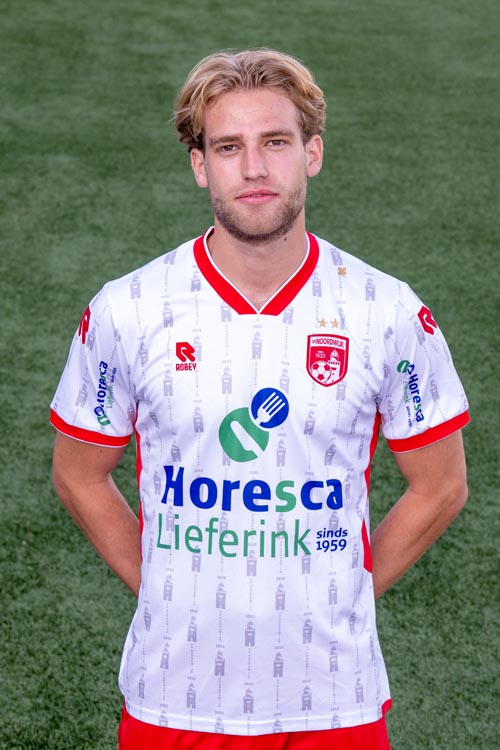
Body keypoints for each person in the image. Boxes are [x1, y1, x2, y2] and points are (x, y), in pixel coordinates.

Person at [50, 49, 469, 750]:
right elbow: (78, 474)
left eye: (275, 142)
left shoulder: (386, 310)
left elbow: (442, 486)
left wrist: (342, 590)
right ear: (199, 165)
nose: (252, 168)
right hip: (175, 697)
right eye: (227, 147)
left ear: (312, 153)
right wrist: (165, 586)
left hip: (333, 698)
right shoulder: (128, 310)